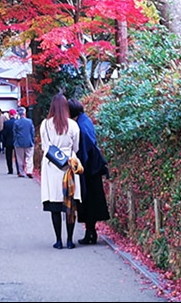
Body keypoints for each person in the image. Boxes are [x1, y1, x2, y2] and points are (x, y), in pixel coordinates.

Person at [39, 93, 80, 248]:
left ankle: (58, 240)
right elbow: (76, 147)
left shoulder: (45, 125)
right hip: (69, 164)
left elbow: (45, 147)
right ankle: (70, 240)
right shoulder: (73, 125)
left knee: (55, 205)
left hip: (51, 165)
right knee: (70, 204)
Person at [68, 98, 110, 244]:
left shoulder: (80, 126)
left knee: (88, 201)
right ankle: (90, 232)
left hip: (89, 169)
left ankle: (90, 233)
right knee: (91, 201)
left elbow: (84, 148)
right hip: (94, 168)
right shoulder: (85, 121)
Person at [11, 106, 35, 177]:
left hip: (19, 142)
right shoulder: (29, 121)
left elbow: (14, 133)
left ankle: (21, 172)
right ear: (25, 113)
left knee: (20, 158)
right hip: (29, 141)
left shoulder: (16, 122)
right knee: (29, 157)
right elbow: (32, 132)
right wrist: (32, 140)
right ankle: (29, 171)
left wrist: (15, 141)